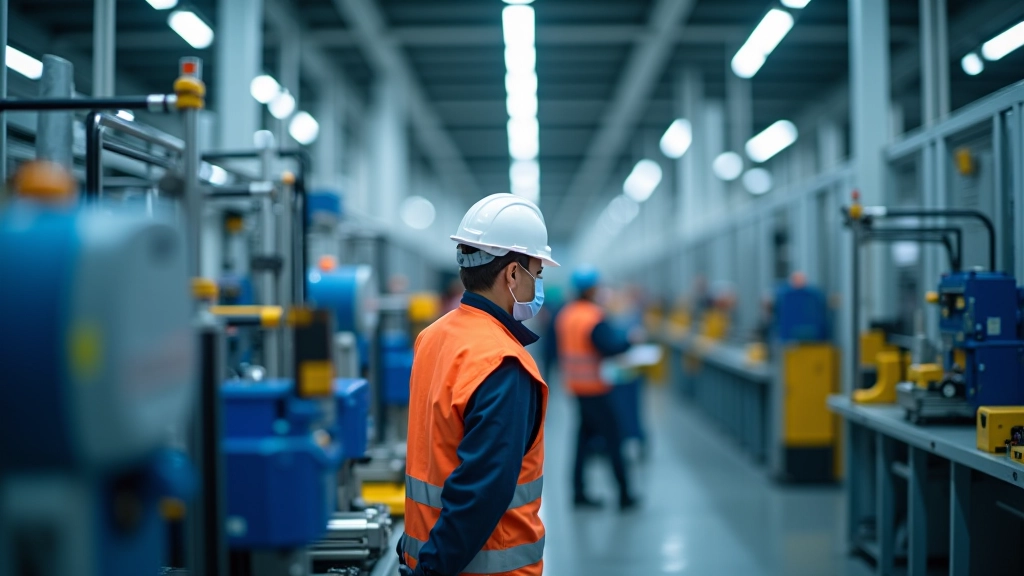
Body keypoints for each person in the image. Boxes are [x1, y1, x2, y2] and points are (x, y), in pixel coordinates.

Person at [398, 193, 558, 576]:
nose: (538, 284)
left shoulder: (433, 336)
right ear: (513, 274)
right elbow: (480, 493)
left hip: (425, 553)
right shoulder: (503, 363)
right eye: (537, 273)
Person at [555, 265, 638, 511]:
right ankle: (624, 494)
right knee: (613, 438)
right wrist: (629, 341)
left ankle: (578, 491)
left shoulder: (567, 314)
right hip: (595, 388)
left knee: (582, 440)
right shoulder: (592, 317)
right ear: (591, 289)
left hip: (576, 385)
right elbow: (609, 347)